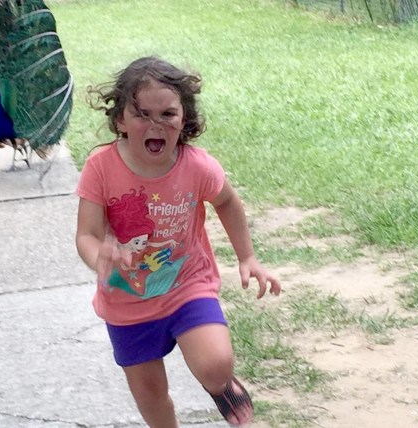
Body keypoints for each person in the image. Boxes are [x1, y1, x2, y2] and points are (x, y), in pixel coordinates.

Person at [74, 56, 281, 428]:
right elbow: (86, 234)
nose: (155, 124)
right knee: (151, 396)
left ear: (184, 119)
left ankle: (220, 386)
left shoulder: (197, 166)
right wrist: (99, 255)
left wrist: (247, 257)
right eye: (141, 114)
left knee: (216, 365)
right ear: (120, 119)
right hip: (126, 302)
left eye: (167, 114)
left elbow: (228, 201)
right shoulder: (101, 168)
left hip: (188, 286)